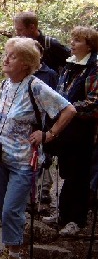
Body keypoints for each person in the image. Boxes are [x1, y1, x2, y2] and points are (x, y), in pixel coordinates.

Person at [0, 37, 76, 259]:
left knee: (11, 210)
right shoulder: (8, 83)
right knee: (2, 210)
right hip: (0, 157)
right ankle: (9, 249)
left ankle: (14, 255)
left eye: (13, 56)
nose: (6, 59)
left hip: (23, 161)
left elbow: (69, 110)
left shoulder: (35, 85)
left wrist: (49, 134)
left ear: (26, 63)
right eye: (6, 54)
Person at [42, 26, 98, 236]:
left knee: (79, 175)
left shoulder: (94, 68)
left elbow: (94, 102)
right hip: (66, 129)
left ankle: (77, 219)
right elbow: (58, 93)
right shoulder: (69, 66)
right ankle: (64, 214)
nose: (72, 43)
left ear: (90, 45)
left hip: (84, 131)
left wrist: (68, 110)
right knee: (67, 173)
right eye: (72, 39)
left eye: (78, 40)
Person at [33, 42, 59, 205]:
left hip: (46, 123)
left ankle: (43, 191)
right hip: (29, 123)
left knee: (45, 158)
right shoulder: (17, 74)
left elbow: (58, 102)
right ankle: (32, 194)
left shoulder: (49, 74)